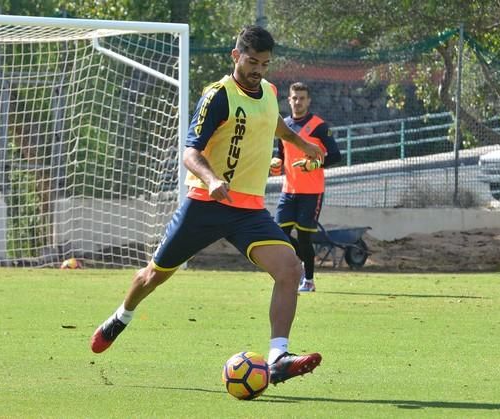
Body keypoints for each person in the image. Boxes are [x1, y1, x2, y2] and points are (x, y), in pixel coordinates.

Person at [90, 25, 323, 385]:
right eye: (251, 61)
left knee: (291, 268)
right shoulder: (218, 96)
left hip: (248, 210)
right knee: (153, 276)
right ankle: (122, 315)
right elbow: (190, 151)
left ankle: (278, 357)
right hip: (205, 205)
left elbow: (271, 123)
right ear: (235, 56)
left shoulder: (270, 91)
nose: (258, 69)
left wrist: (300, 143)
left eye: (265, 63)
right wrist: (213, 180)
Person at [270, 82, 341, 292]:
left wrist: (315, 164)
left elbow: (336, 155)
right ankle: (300, 267)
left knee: (304, 238)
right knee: (277, 234)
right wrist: (275, 162)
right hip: (288, 191)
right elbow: (280, 154)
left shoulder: (319, 125)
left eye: (302, 98)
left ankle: (308, 280)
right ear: (289, 100)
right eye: (295, 98)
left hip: (312, 192)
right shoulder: (283, 125)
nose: (298, 102)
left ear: (308, 101)